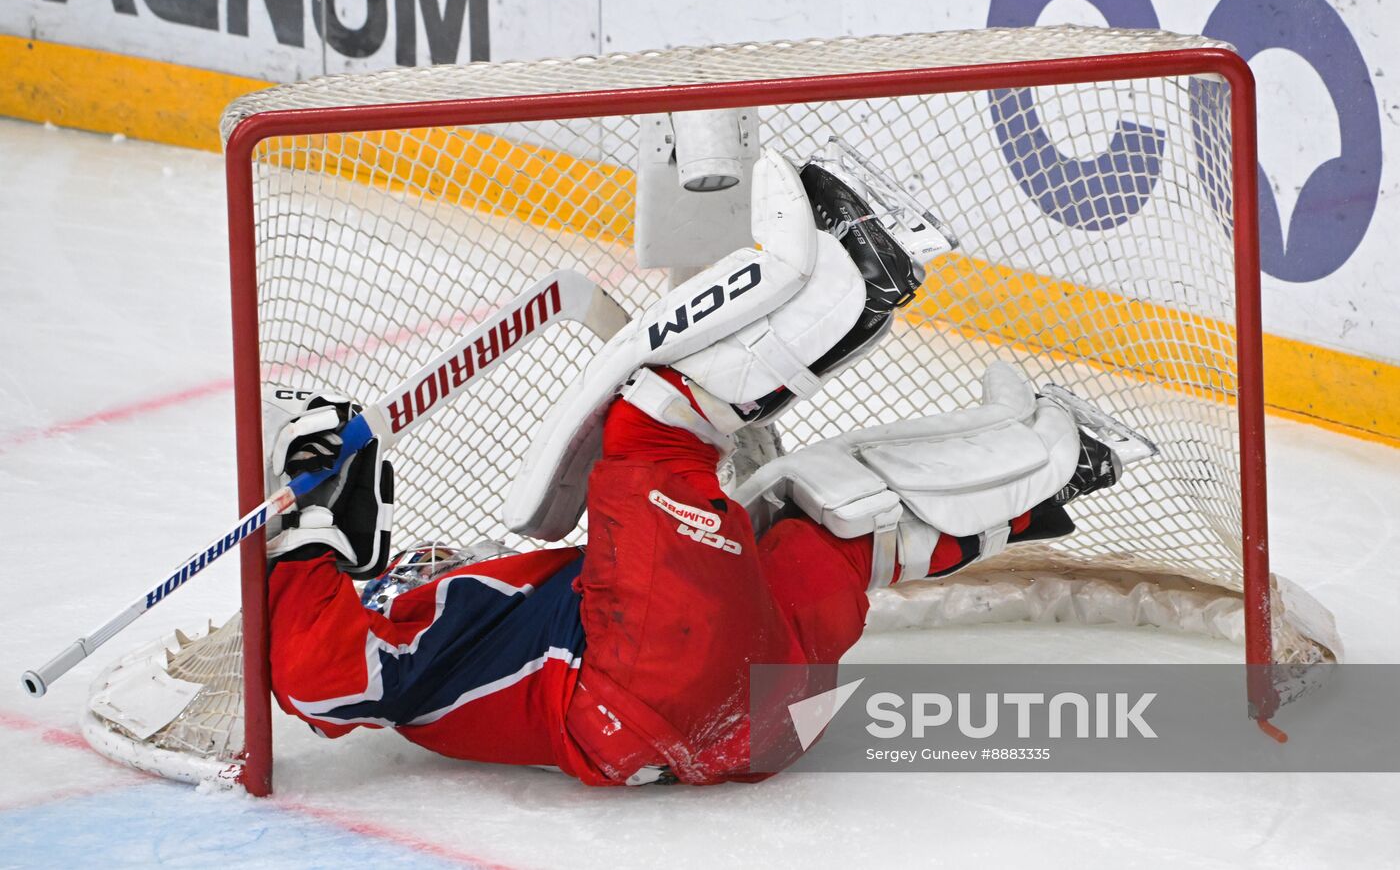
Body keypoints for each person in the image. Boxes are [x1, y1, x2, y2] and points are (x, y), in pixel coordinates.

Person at [263, 148, 1146, 786]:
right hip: (637, 683)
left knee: (823, 518)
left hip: (766, 721)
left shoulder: (447, 638)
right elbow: (314, 674)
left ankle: (1059, 469)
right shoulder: (407, 635)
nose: (430, 555)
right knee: (651, 421)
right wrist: (301, 529)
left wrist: (318, 523)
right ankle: (859, 272)